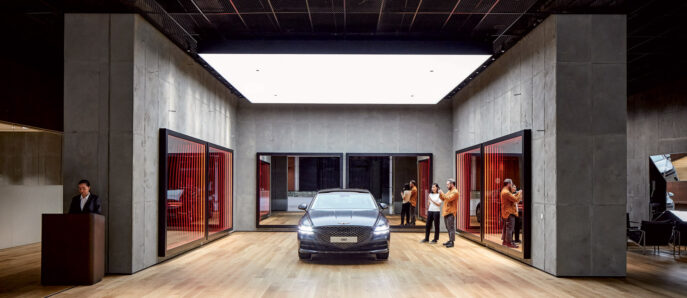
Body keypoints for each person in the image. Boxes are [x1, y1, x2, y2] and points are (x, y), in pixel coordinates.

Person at [500, 179, 522, 248]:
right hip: (509, 212)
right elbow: (515, 199)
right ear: (508, 184)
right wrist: (520, 193)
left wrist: (516, 194)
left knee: (506, 228)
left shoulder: (504, 191)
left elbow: (512, 197)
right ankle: (509, 243)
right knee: (510, 229)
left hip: (505, 212)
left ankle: (505, 242)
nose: (512, 185)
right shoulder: (506, 192)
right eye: (511, 184)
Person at [438, 179, 459, 248]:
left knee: (451, 227)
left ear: (452, 184)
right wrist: (440, 194)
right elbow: (444, 198)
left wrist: (442, 193)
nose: (447, 186)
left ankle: (452, 242)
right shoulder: (450, 191)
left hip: (451, 212)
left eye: (448, 184)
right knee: (448, 227)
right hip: (446, 212)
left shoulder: (455, 192)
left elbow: (448, 198)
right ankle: (450, 240)